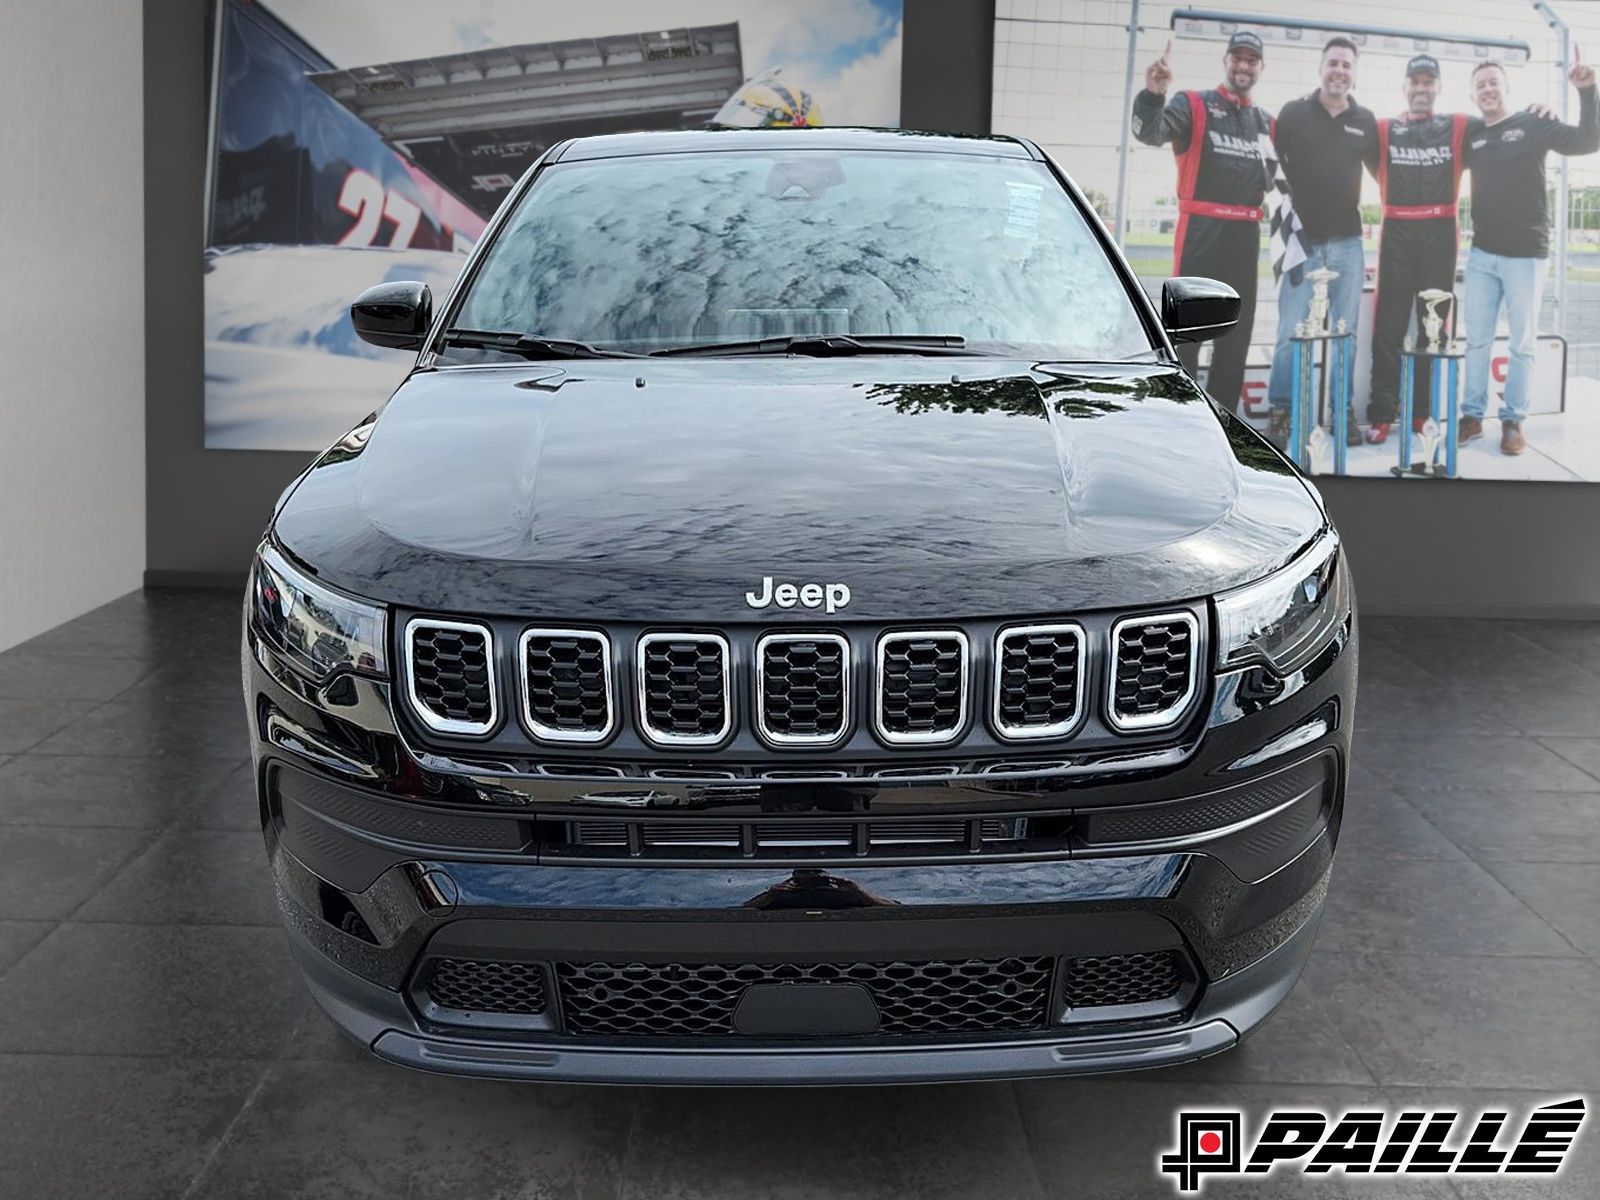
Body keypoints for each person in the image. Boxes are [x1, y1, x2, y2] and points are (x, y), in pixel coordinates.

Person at [1461, 54, 1598, 455]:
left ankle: (1513, 422)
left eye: (1494, 82)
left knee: (1522, 343)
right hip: (1482, 255)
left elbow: (1589, 142)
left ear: (1507, 88)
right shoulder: (1470, 134)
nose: (1488, 89)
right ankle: (1471, 416)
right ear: (1473, 93)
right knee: (1476, 343)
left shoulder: (1534, 122)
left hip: (1526, 256)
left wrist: (1587, 92)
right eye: (1481, 84)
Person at [1133, 31, 1272, 413]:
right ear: (1226, 61)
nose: (1243, 65)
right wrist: (1151, 96)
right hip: (1200, 231)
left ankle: (1226, 420)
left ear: (1260, 67)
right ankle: (1182, 413)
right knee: (1187, 332)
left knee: (1236, 336)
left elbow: (1287, 178)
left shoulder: (1266, 123)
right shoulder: (1193, 103)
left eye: (1251, 59)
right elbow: (1149, 132)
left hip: (1246, 235)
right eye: (1237, 57)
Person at [1266, 37, 1378, 449]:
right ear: (1320, 67)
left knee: (1343, 333)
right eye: (1333, 62)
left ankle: (1341, 411)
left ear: (1354, 72)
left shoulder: (1365, 120)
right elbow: (1270, 172)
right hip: (1301, 241)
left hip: (1348, 242)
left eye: (1347, 65)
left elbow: (1387, 176)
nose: (1339, 71)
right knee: (1289, 332)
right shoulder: (1294, 113)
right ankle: (1280, 409)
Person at [1363, 55, 1473, 445]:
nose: (1422, 89)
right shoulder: (1381, 128)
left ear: (1438, 87)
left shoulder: (1459, 125)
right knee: (1388, 327)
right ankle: (1381, 412)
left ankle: (1421, 412)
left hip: (1440, 235)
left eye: (1429, 82)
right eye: (1415, 82)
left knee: (1432, 331)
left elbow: (1499, 129)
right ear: (1405, 87)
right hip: (1396, 232)